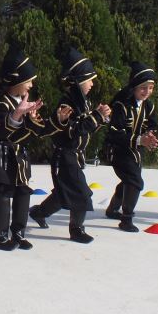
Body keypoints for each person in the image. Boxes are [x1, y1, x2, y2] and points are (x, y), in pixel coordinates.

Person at [0, 47, 71, 251]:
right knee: (2, 195)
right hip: (2, 156)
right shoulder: (0, 104)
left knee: (23, 193)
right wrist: (16, 116)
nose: (32, 85)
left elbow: (40, 130)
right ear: (16, 81)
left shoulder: (27, 105)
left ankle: (18, 232)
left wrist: (58, 120)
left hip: (20, 159)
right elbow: (1, 132)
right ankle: (1, 235)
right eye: (29, 80)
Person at [29, 48, 112, 244]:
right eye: (89, 79)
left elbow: (85, 129)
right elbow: (74, 131)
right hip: (64, 157)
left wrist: (100, 119)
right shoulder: (67, 104)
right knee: (82, 194)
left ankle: (38, 212)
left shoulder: (82, 101)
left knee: (62, 194)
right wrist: (96, 117)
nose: (92, 83)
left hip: (72, 156)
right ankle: (77, 229)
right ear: (78, 79)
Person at [105, 61, 158, 233]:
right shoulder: (121, 105)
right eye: (143, 87)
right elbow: (115, 133)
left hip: (134, 152)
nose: (147, 92)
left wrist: (150, 134)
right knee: (135, 181)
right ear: (134, 86)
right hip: (118, 151)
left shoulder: (148, 105)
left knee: (129, 180)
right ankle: (126, 219)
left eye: (150, 88)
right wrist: (139, 140)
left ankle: (113, 209)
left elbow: (152, 123)